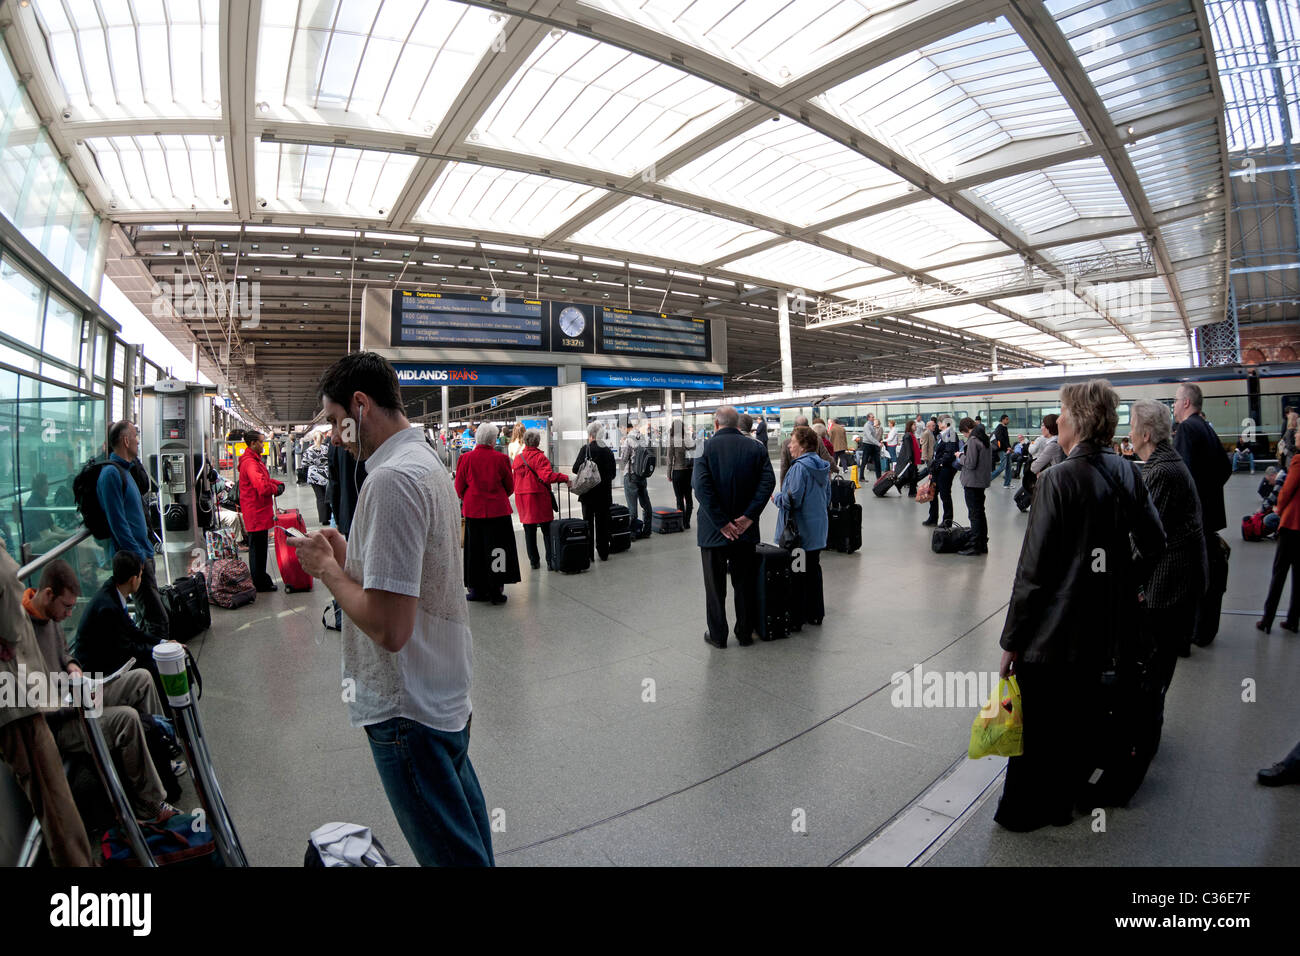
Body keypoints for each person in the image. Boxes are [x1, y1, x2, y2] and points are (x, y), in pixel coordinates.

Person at [289, 351, 494, 867]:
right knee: (469, 848)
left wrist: (327, 571)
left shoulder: (390, 480)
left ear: (361, 405)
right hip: (442, 694)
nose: (336, 435)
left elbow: (389, 626)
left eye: (338, 422)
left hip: (407, 710)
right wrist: (350, 556)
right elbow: (414, 582)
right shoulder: (426, 463)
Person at [994, 380, 1166, 832]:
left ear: (1079, 420)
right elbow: (1154, 541)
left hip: (1054, 632)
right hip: (1106, 630)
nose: (1060, 419)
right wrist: (1118, 580)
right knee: (1083, 715)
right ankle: (1068, 800)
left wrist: (1012, 642)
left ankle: (1028, 812)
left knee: (1041, 724)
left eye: (1063, 412)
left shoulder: (1055, 479)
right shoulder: (1127, 471)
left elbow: (1032, 573)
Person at [26, 559, 179, 822]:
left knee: (140, 678)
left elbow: (64, 654)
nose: (69, 613)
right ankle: (149, 802)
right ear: (49, 594)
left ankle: (160, 753)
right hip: (59, 719)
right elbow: (32, 702)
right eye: (67, 606)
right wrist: (75, 701)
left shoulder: (50, 615)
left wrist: (74, 668)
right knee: (126, 718)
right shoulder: (24, 636)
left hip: (76, 693)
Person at [0, 549, 93, 866]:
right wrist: (11, 639)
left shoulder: (50, 622)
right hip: (18, 704)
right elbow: (8, 591)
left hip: (20, 699)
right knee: (56, 805)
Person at [1130, 399, 1207, 681]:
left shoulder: (1161, 471)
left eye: (1132, 427)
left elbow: (1148, 538)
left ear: (1146, 434)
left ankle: (1149, 721)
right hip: (1178, 578)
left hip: (1170, 583)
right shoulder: (1168, 462)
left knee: (1155, 662)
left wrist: (1126, 579)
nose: (1129, 434)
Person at [693, 406, 776, 649]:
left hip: (712, 532)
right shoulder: (756, 448)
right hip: (745, 532)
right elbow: (767, 482)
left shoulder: (704, 449)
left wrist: (721, 523)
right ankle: (744, 633)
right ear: (738, 424)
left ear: (716, 424)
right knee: (744, 584)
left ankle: (718, 635)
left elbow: (702, 489)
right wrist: (748, 517)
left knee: (715, 587)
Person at [97, 420, 169, 640]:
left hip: (142, 554)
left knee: (148, 616)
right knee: (158, 620)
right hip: (134, 559)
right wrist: (137, 558)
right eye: (135, 436)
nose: (138, 441)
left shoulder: (125, 471)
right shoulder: (111, 474)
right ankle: (154, 668)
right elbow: (117, 522)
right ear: (126, 440)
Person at [1172, 383, 1230, 648]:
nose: (1173, 406)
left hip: (1193, 520)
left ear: (1186, 403)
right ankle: (1203, 630)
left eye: (1175, 401)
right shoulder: (1206, 427)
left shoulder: (1186, 428)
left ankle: (1188, 632)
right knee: (1206, 573)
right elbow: (1225, 467)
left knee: (1190, 576)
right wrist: (1209, 490)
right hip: (1209, 516)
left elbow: (1181, 476)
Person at [455, 423, 521, 604]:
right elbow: (509, 487)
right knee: (497, 550)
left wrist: (469, 498)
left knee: (475, 551)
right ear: (493, 440)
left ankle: (476, 589)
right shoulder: (501, 459)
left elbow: (459, 487)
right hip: (498, 512)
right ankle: (496, 590)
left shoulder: (465, 459)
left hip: (474, 512)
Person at [774, 426, 829, 630]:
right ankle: (815, 613)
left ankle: (797, 617)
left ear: (803, 445)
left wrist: (776, 498)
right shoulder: (822, 466)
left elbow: (792, 500)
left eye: (793, 441)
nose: (790, 445)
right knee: (813, 569)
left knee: (797, 572)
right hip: (818, 529)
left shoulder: (799, 468)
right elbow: (827, 499)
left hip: (800, 533)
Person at [512, 429, 568, 571]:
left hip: (522, 499)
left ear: (524, 441)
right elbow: (547, 477)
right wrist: (564, 477)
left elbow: (514, 481)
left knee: (529, 532)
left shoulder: (518, 459)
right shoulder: (540, 458)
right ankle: (550, 561)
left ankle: (534, 562)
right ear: (537, 442)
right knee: (547, 531)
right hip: (539, 498)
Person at [1256, 460, 1300, 634]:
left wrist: (1278, 509)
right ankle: (1293, 619)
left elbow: (1286, 490)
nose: (1295, 434)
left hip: (1292, 524)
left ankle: (1267, 620)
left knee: (1279, 573)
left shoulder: (1298, 461)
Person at [239, 428, 282, 593]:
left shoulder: (253, 460)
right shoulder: (250, 463)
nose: (263, 444)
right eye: (261, 442)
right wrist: (275, 489)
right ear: (253, 443)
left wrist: (276, 483)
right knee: (258, 550)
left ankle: (260, 580)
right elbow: (262, 487)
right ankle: (260, 582)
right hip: (256, 512)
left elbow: (265, 480)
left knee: (259, 548)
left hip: (257, 511)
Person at [573, 422, 617, 561]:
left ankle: (589, 554)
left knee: (588, 523)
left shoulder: (585, 449)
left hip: (588, 494)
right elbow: (613, 473)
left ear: (590, 435)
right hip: (604, 495)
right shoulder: (608, 451)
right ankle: (603, 552)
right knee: (603, 523)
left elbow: (575, 469)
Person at [957, 417, 991, 555]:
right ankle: (982, 543)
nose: (964, 436)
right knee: (980, 513)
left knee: (974, 515)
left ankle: (975, 546)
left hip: (972, 482)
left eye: (963, 433)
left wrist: (960, 456)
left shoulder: (973, 440)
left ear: (966, 429)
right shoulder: (984, 438)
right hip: (981, 481)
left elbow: (970, 463)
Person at [619, 421, 653, 539]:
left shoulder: (628, 439)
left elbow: (623, 459)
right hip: (642, 475)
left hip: (631, 475)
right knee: (645, 503)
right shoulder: (642, 437)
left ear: (624, 428)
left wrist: (622, 445)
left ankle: (633, 533)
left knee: (632, 506)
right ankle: (647, 530)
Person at [923, 419, 959, 527]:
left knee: (945, 495)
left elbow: (949, 453)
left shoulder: (951, 434)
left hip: (945, 470)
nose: (938, 424)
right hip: (938, 469)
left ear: (946, 424)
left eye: (940, 422)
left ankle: (947, 521)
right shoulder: (942, 435)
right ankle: (933, 517)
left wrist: (939, 464)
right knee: (931, 493)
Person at [780, 415, 833, 486]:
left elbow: (784, 467)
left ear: (794, 426)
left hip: (794, 482)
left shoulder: (786, 443)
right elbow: (826, 457)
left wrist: (782, 487)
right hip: (816, 481)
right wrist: (834, 468)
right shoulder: (817, 439)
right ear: (808, 426)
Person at [666, 418, 694, 530]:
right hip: (689, 472)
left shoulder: (672, 440)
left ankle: (681, 522)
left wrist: (668, 474)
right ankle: (687, 522)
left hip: (677, 472)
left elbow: (669, 459)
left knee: (679, 498)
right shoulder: (688, 439)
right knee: (689, 498)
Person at [303, 432, 332, 527]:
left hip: (314, 476)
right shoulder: (328, 448)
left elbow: (304, 463)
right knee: (328, 496)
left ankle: (323, 519)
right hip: (326, 475)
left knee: (320, 498)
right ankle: (330, 517)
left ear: (314, 439)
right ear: (323, 438)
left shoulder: (309, 450)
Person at [894, 420, 921, 497]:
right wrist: (909, 458)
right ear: (910, 426)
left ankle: (911, 491)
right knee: (912, 475)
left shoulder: (911, 435)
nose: (915, 426)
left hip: (912, 458)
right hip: (910, 459)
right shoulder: (908, 435)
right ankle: (911, 491)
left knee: (913, 475)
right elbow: (908, 448)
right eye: (914, 425)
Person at [989, 414, 1013, 487]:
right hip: (1002, 450)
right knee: (1002, 466)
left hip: (1006, 449)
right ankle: (988, 478)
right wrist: (1007, 447)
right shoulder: (1000, 427)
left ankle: (1007, 483)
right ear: (1002, 420)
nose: (1008, 421)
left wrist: (1009, 447)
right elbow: (1000, 439)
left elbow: (1006, 439)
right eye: (1006, 419)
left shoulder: (1004, 427)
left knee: (1009, 466)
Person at [860, 414, 883, 480]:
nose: (873, 418)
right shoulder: (867, 425)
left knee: (877, 460)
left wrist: (877, 443)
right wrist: (878, 444)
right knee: (864, 460)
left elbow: (874, 436)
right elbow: (869, 437)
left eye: (873, 417)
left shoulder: (872, 425)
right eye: (872, 417)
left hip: (873, 444)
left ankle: (879, 477)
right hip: (867, 445)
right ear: (868, 418)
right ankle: (861, 477)